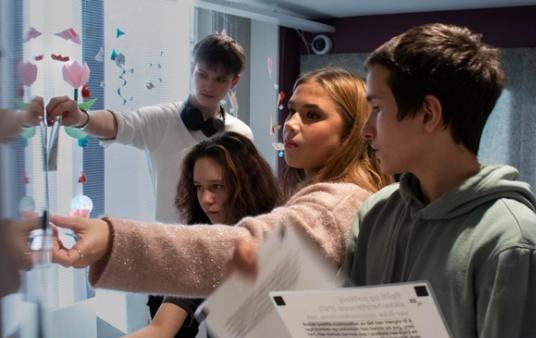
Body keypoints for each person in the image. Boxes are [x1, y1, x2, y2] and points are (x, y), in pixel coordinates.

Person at [50, 67, 389, 297]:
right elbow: (126, 124)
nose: (291, 124)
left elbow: (247, 250)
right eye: (292, 112)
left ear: (355, 129)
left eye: (312, 115)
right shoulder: (329, 192)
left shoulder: (338, 201)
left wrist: (113, 240)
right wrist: (82, 118)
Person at [341, 23, 536, 338]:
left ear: (429, 113)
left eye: (377, 108)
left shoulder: (513, 243)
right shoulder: (377, 213)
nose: (366, 129)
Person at [50, 132, 281, 338]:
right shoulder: (201, 250)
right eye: (199, 187)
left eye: (217, 186)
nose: (206, 198)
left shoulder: (280, 236)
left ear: (246, 185)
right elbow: (160, 331)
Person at [41, 33, 253, 223]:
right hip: (170, 246)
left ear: (234, 81)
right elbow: (120, 123)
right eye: (202, 74)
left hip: (224, 242)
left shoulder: (240, 134)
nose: (208, 86)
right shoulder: (162, 120)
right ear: (191, 69)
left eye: (220, 80)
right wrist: (81, 117)